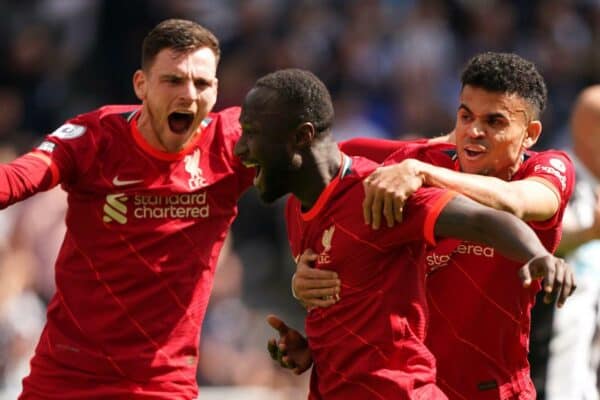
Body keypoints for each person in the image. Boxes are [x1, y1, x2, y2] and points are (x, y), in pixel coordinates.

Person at [233, 68, 574, 399]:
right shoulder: (415, 162)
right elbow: (325, 163)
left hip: (491, 389)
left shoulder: (544, 168)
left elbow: (515, 203)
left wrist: (422, 172)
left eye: (494, 121)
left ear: (530, 133)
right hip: (409, 384)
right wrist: (318, 331)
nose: (473, 131)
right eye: (466, 117)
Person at [0, 18, 255, 399]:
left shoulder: (233, 144)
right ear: (141, 84)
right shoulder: (94, 137)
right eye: (172, 80)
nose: (188, 94)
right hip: (66, 375)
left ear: (216, 90)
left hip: (158, 383)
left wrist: (380, 169)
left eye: (201, 83)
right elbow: (19, 177)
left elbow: (324, 164)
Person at [545, 85, 600, 400]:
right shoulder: (558, 181)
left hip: (582, 383)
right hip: (545, 378)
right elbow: (543, 236)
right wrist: (589, 233)